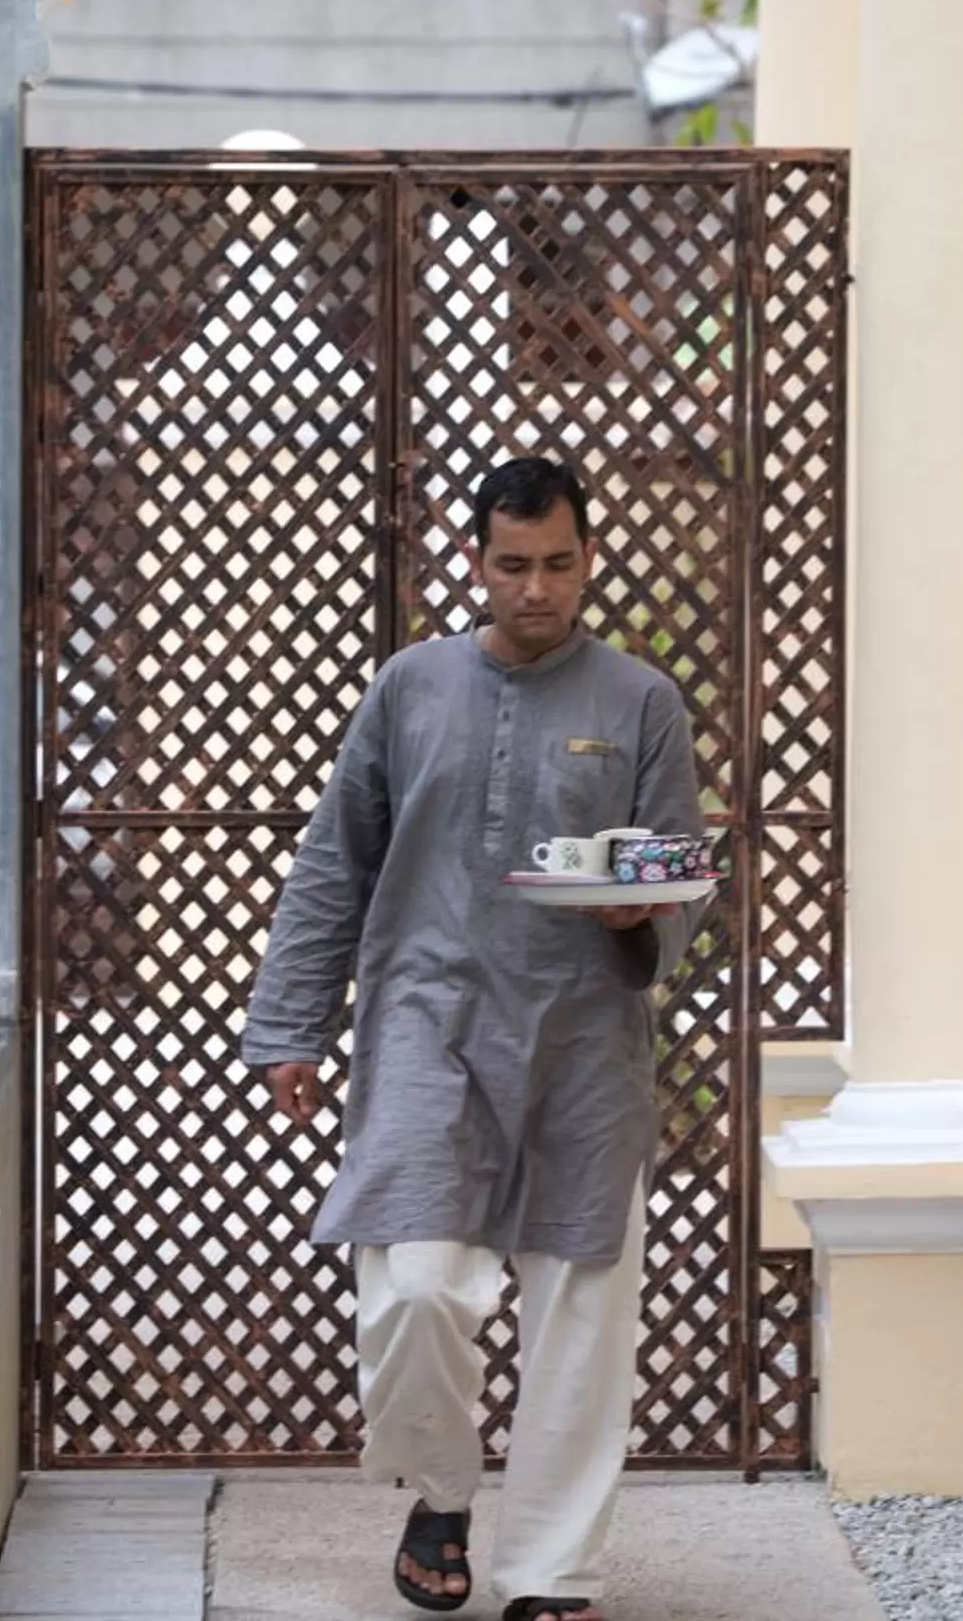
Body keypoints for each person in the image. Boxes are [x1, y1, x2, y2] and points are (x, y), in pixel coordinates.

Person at [242, 455, 707, 1621]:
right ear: (476, 561)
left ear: (588, 556)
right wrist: (293, 1020)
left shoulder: (641, 701)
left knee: (580, 1317)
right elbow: (334, 859)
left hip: (583, 1034)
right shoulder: (411, 686)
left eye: (558, 562)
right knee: (416, 1290)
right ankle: (440, 1487)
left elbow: (680, 868)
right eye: (514, 564)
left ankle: (552, 1572)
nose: (538, 587)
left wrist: (642, 905)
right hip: (425, 1018)